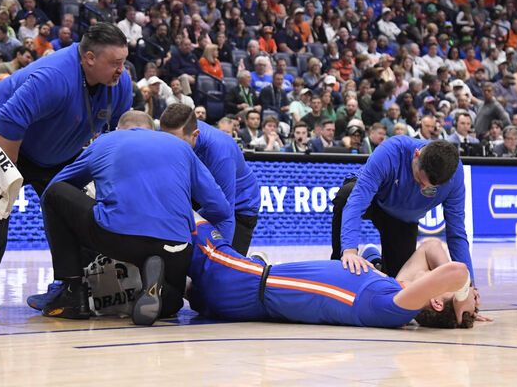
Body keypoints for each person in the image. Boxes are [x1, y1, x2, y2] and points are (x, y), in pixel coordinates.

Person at [0, 23, 133, 309]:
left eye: (123, 62)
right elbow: (10, 117)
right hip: (2, 133)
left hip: (59, 146)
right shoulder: (55, 76)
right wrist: (8, 171)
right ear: (90, 58)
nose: (121, 70)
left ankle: (74, 283)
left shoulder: (120, 82)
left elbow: (117, 133)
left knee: (75, 211)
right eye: (115, 63)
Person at [40, 111, 232, 323]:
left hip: (120, 238)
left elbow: (56, 186)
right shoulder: (181, 146)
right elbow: (221, 208)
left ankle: (72, 292)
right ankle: (163, 293)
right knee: (171, 303)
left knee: (55, 195)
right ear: (153, 130)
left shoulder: (106, 141)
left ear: (118, 129)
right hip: (176, 246)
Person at [188, 218, 489, 328]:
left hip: (244, 281)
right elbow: (431, 246)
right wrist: (465, 308)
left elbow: (457, 270)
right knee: (185, 286)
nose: (473, 294)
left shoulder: (393, 309)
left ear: (435, 301)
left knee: (185, 214)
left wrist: (463, 296)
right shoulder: (396, 288)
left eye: (464, 294)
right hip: (246, 290)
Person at [331, 137, 474, 283]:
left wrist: (469, 284)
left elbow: (456, 232)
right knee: (346, 196)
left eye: (430, 188)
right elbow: (357, 203)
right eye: (419, 180)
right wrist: (349, 251)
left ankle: (374, 261)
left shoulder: (455, 175)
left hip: (402, 218)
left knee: (397, 282)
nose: (422, 188)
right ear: (416, 155)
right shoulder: (390, 151)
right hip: (375, 197)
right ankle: (338, 266)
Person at [160, 104, 260, 255]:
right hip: (202, 195)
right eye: (166, 139)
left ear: (195, 134)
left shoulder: (220, 152)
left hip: (239, 206)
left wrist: (222, 258)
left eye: (177, 143)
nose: (170, 147)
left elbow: (225, 213)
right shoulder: (172, 132)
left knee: (228, 263)